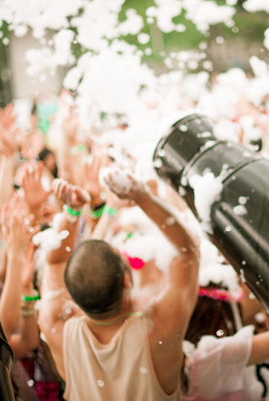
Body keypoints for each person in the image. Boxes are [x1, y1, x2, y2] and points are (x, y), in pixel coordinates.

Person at [37, 168, 200, 401]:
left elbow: (56, 262)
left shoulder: (56, 326)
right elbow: (188, 252)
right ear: (126, 279)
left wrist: (72, 213)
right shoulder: (158, 329)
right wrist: (143, 198)